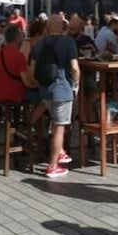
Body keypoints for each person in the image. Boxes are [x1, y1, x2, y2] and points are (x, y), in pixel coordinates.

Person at [29, 15, 80, 178]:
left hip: (45, 90)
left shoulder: (38, 43)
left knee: (55, 121)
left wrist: (39, 84)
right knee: (60, 127)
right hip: (62, 89)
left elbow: (31, 70)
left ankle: (62, 152)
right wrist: (76, 84)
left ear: (48, 27)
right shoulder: (68, 42)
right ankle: (52, 166)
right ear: (63, 27)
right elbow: (75, 68)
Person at [0, 25, 30, 104]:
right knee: (42, 98)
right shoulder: (18, 56)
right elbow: (28, 83)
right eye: (22, 35)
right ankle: (33, 117)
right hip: (13, 95)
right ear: (17, 38)